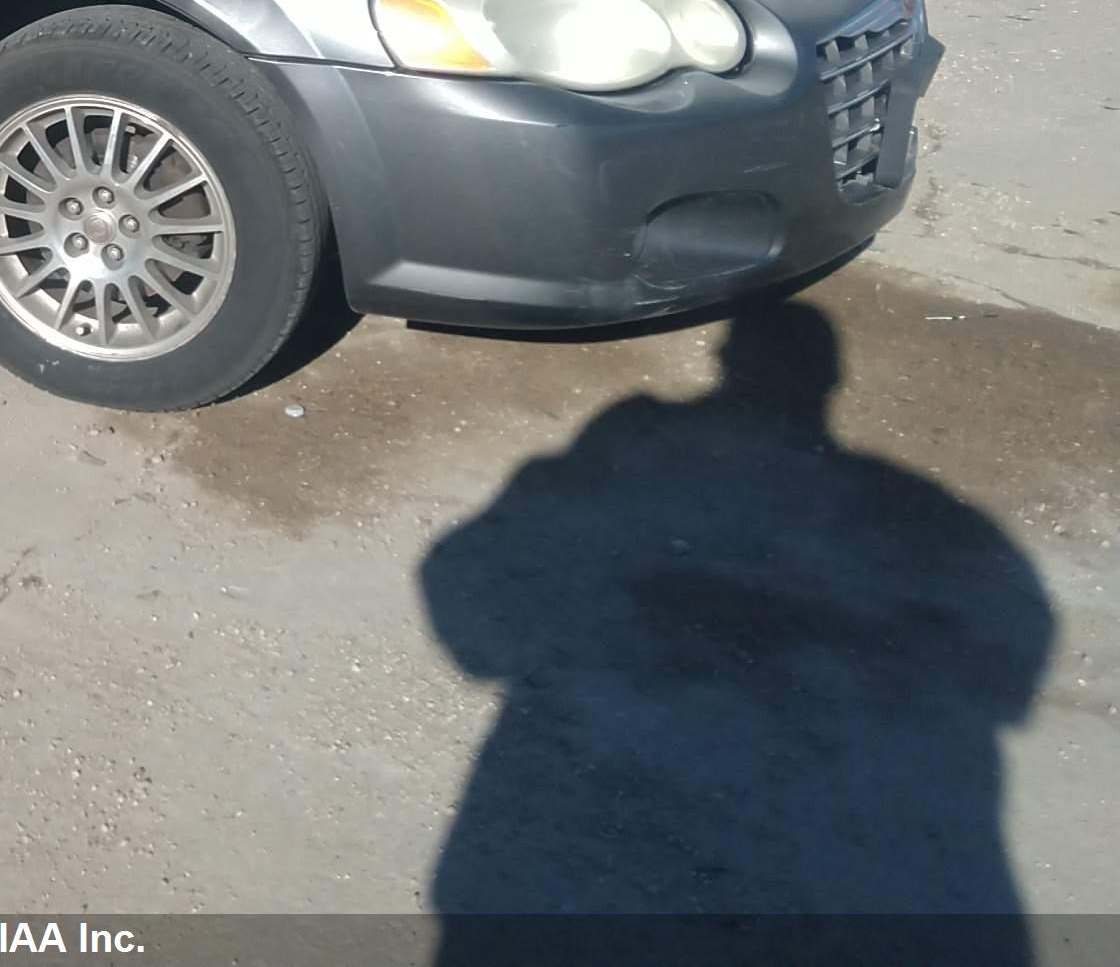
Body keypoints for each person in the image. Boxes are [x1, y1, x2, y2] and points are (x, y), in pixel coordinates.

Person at [420, 301, 1049, 952]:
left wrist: (507, 652)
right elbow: (1003, 675)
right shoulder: (914, 510)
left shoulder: (637, 438)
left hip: (594, 800)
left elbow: (466, 568)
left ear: (723, 361)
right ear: (831, 383)